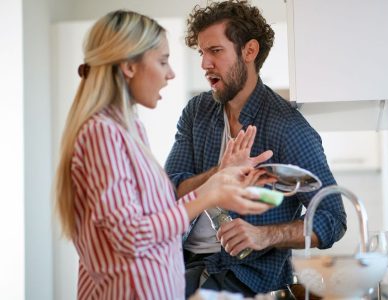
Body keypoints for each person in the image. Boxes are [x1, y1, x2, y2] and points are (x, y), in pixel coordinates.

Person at [54, 10, 272, 300]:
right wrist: (207, 196)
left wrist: (219, 178)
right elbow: (131, 236)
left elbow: (155, 220)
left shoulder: (130, 131)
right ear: (129, 66)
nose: (170, 73)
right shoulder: (101, 134)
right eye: (162, 61)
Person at [164, 0, 347, 296]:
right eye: (201, 52)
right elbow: (169, 190)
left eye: (215, 51)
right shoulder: (196, 113)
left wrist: (262, 235)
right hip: (179, 268)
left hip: (247, 279)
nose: (204, 64)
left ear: (249, 51)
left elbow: (331, 217)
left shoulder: (287, 127)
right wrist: (218, 174)